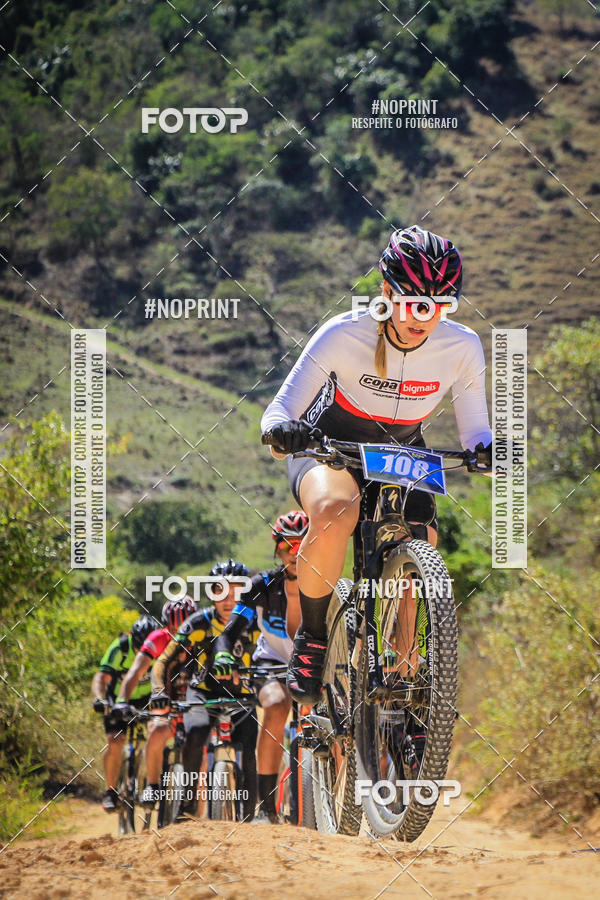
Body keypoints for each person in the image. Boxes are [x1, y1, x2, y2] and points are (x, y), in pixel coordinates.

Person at [260, 226, 493, 704]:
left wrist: (489, 449)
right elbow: (278, 411)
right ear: (387, 292)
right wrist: (283, 431)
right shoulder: (343, 334)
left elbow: (476, 432)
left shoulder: (462, 346)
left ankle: (403, 666)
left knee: (420, 535)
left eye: (438, 304)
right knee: (336, 509)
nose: (422, 317)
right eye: (411, 301)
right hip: (328, 445)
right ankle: (315, 636)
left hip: (401, 453)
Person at [212, 509, 308, 823]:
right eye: (287, 547)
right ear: (277, 548)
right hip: (272, 662)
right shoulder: (262, 584)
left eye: (302, 545)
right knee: (277, 705)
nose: (294, 554)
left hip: (313, 660)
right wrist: (224, 655)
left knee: (333, 719)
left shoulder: (328, 583)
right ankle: (267, 808)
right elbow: (229, 633)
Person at [151, 560, 260, 820]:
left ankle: (252, 817)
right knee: (197, 731)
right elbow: (164, 661)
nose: (227, 599)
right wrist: (158, 692)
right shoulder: (198, 622)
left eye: (235, 591)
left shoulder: (256, 623)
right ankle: (188, 803)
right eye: (219, 590)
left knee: (249, 747)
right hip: (203, 693)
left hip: (242, 696)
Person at [111, 596, 197, 807]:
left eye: (186, 627)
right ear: (167, 625)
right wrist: (122, 700)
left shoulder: (204, 636)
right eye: (174, 628)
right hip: (163, 699)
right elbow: (136, 671)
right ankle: (153, 786)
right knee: (158, 730)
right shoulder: (158, 638)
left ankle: (197, 806)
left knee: (201, 745)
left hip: (195, 699)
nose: (180, 633)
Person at [91, 614, 157, 812]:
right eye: (138, 647)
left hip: (147, 699)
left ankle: (153, 784)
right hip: (119, 699)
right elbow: (101, 676)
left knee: (157, 733)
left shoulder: (159, 646)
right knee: (115, 740)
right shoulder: (120, 646)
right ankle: (110, 791)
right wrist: (99, 699)